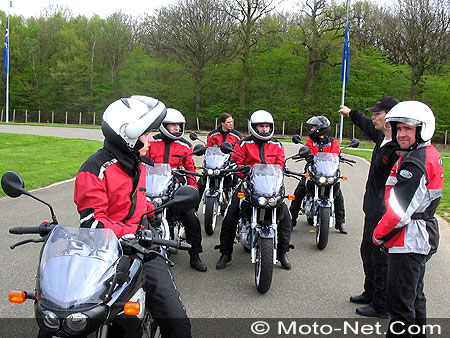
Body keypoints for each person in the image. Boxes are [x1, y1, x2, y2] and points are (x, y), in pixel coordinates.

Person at [74, 96, 191, 338]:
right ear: (128, 136)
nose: (151, 138)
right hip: (104, 254)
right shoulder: (95, 169)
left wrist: (154, 209)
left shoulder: (137, 164)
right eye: (147, 133)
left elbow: (136, 201)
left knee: (178, 324)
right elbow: (92, 221)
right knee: (68, 316)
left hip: (143, 248)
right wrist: (129, 232)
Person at [372, 101, 443, 337]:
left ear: (422, 130)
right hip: (419, 236)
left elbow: (399, 211)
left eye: (408, 129)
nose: (401, 133)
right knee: (414, 298)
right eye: (399, 128)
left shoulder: (414, 162)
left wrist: (378, 235)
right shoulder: (424, 153)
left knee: (400, 306)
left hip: (408, 239)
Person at [339, 96, 400, 318]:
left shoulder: (398, 148)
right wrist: (350, 112)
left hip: (385, 213)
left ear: (391, 116)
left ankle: (382, 305)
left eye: (378, 113)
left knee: (380, 257)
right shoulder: (381, 137)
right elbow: (364, 122)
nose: (373, 117)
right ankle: (371, 291)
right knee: (368, 251)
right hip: (372, 210)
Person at [215, 110, 293, 270]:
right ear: (253, 127)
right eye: (260, 126)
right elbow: (237, 161)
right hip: (248, 184)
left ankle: (283, 252)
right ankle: (225, 253)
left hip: (271, 187)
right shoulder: (244, 144)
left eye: (266, 126)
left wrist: (282, 170)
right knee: (231, 214)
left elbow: (280, 164)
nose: (264, 129)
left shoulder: (277, 145)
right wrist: (239, 169)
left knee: (285, 217)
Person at [147, 108, 207, 272]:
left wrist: (192, 191)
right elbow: (142, 164)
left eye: (179, 125)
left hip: (175, 189)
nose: (176, 129)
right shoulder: (152, 142)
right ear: (164, 125)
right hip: (152, 189)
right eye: (173, 125)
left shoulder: (185, 145)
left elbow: (190, 169)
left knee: (191, 220)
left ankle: (195, 256)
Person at [289, 115, 347, 234]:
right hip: (312, 171)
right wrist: (307, 155)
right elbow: (306, 150)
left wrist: (338, 157)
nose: (311, 129)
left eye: (313, 127)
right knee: (300, 189)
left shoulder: (333, 143)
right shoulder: (310, 142)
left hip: (329, 173)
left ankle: (340, 222)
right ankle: (292, 219)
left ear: (321, 128)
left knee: (338, 194)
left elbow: (335, 154)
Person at [197, 113, 243, 203]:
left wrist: (235, 160)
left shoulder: (237, 136)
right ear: (222, 123)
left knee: (238, 184)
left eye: (231, 122)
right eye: (228, 122)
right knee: (200, 184)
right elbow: (208, 149)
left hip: (230, 165)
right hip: (214, 164)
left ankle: (237, 209)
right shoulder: (212, 135)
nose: (231, 124)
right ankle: (193, 209)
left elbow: (240, 151)